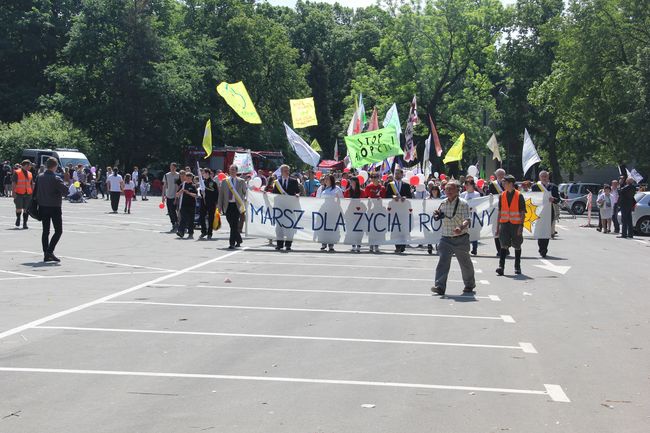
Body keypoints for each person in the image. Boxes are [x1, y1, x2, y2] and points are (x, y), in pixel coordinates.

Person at [430, 181, 476, 296]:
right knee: (442, 262)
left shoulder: (463, 203)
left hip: (461, 237)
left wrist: (460, 227)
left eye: (451, 189)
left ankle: (469, 285)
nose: (448, 191)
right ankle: (439, 286)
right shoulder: (443, 203)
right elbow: (438, 215)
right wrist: (436, 214)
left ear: (457, 191)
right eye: (446, 189)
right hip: (446, 238)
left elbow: (467, 219)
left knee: (465, 263)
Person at [36, 157, 69, 262]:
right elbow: (65, 191)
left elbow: (35, 191)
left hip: (42, 206)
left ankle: (46, 253)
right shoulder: (56, 178)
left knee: (45, 231)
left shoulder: (39, 177)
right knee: (58, 230)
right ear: (55, 166)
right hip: (54, 207)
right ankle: (50, 251)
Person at [495, 175, 526, 276]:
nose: (503, 184)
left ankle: (517, 266)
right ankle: (501, 267)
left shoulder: (519, 195)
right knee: (503, 244)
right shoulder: (502, 195)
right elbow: (500, 212)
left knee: (517, 245)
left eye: (505, 182)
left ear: (511, 184)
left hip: (515, 224)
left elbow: (522, 212)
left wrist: (521, 226)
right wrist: (497, 226)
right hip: (504, 223)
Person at [531, 171, 560, 257]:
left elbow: (558, 199)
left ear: (548, 177)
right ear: (539, 177)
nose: (544, 178)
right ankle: (541, 248)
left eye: (546, 176)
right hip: (539, 211)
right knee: (540, 230)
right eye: (542, 176)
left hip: (549, 211)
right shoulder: (535, 186)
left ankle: (544, 249)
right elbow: (532, 198)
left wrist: (553, 199)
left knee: (547, 230)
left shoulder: (553, 187)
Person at [272, 164, 301, 251]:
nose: (287, 172)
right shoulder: (277, 182)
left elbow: (298, 192)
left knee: (290, 227)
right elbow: (274, 193)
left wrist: (297, 195)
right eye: (285, 171)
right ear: (281, 172)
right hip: (280, 208)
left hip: (290, 207)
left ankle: (288, 244)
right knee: (279, 227)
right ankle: (279, 244)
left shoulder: (294, 181)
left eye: (288, 170)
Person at [218, 164, 246, 249]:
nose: (232, 171)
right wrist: (219, 207)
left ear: (237, 171)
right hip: (228, 205)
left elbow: (245, 193)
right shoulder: (224, 181)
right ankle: (239, 239)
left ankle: (232, 243)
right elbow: (221, 195)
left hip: (237, 206)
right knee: (231, 224)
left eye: (233, 169)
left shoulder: (241, 181)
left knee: (234, 224)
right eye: (231, 169)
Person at [385, 168, 413, 253]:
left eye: (398, 173)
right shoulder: (390, 185)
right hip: (394, 209)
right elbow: (387, 195)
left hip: (403, 209)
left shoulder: (406, 185)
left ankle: (403, 245)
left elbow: (409, 196)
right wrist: (393, 197)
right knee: (395, 228)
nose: (396, 175)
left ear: (401, 175)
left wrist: (405, 197)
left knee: (403, 228)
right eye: (395, 173)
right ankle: (397, 246)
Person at [316, 174, 344, 252]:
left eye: (327, 179)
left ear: (331, 180)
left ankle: (331, 244)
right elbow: (317, 199)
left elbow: (342, 199)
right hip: (323, 210)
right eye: (325, 179)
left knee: (332, 227)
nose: (325, 180)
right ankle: (323, 243)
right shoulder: (321, 188)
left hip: (333, 211)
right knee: (323, 227)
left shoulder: (337, 188)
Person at [488, 168, 507, 255]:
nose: (500, 176)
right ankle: (499, 250)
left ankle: (505, 248)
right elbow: (488, 195)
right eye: (499, 175)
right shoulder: (492, 184)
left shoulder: (508, 183)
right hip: (496, 209)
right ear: (496, 175)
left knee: (506, 230)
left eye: (502, 174)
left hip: (507, 210)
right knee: (496, 229)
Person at [11, 160, 34, 229]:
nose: (30, 167)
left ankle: (25, 223)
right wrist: (13, 192)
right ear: (25, 165)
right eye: (29, 165)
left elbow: (31, 184)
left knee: (26, 209)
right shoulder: (17, 172)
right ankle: (18, 218)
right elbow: (14, 183)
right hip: (19, 193)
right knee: (19, 208)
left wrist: (32, 192)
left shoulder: (30, 173)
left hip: (28, 193)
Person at [460, 179, 481, 255]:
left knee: (474, 231)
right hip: (465, 215)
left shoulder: (477, 194)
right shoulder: (462, 194)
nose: (467, 186)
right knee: (465, 232)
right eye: (466, 185)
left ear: (472, 185)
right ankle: (466, 248)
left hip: (474, 215)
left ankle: (474, 248)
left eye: (468, 184)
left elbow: (478, 204)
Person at [175, 172, 198, 239]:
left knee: (191, 220)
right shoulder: (183, 185)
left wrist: (189, 193)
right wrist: (180, 192)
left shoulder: (193, 186)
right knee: (183, 219)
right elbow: (177, 195)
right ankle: (181, 232)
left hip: (191, 205)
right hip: (183, 205)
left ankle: (191, 233)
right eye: (187, 177)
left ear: (191, 178)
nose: (188, 179)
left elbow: (196, 195)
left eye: (189, 177)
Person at [199, 168, 219, 240]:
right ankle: (203, 231)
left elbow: (216, 193)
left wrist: (216, 203)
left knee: (211, 218)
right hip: (203, 202)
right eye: (203, 173)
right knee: (201, 217)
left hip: (211, 202)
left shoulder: (213, 183)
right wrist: (201, 193)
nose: (203, 174)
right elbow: (200, 191)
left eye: (204, 173)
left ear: (207, 173)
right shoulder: (202, 182)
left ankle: (210, 233)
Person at [162, 163, 180, 231]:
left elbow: (178, 186)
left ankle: (177, 223)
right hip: (168, 195)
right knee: (170, 211)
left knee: (175, 210)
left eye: (173, 167)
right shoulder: (166, 175)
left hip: (176, 196)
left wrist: (177, 195)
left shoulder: (178, 175)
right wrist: (163, 196)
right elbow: (164, 186)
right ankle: (173, 223)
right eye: (170, 167)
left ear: (175, 168)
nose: (171, 168)